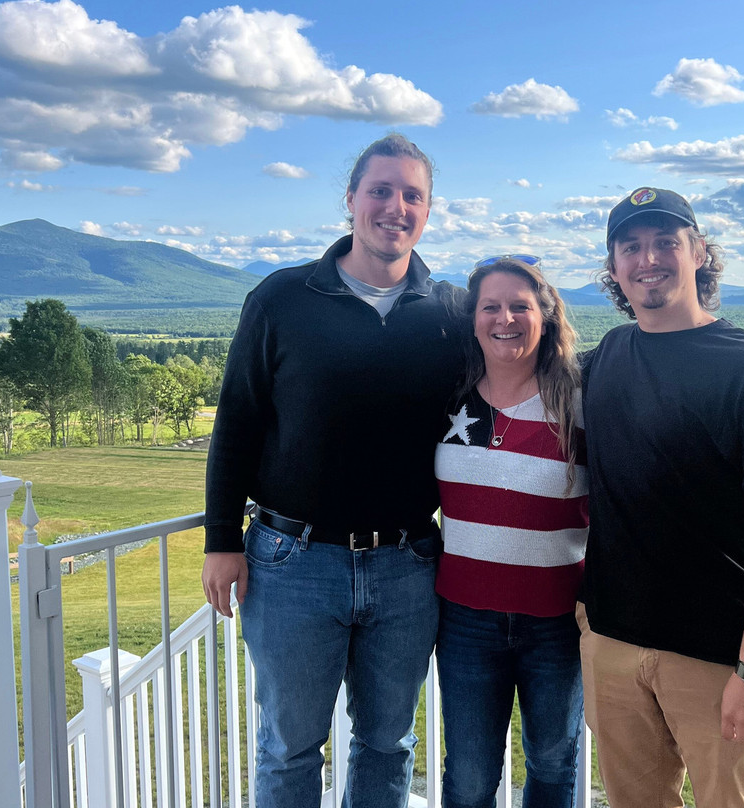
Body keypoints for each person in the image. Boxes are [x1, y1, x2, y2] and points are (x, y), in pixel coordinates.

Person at [201, 133, 465, 808]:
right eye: (380, 190)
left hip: (407, 564)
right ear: (350, 199)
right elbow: (237, 422)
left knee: (388, 743)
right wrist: (221, 540)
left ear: (428, 210)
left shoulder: (452, 312)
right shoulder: (283, 298)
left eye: (412, 195)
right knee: (289, 748)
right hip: (293, 561)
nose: (395, 207)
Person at [580, 187, 744, 807]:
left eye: (666, 242)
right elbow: (517, 366)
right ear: (613, 267)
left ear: (699, 253)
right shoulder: (607, 357)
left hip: (716, 658)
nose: (648, 259)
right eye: (631, 247)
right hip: (613, 644)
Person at [434, 255, 588, 808]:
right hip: (465, 621)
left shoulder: (579, 404)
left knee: (552, 765)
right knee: (470, 776)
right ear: (473, 320)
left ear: (545, 317)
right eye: (491, 307)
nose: (505, 319)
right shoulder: (448, 398)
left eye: (520, 306)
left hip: (556, 623)